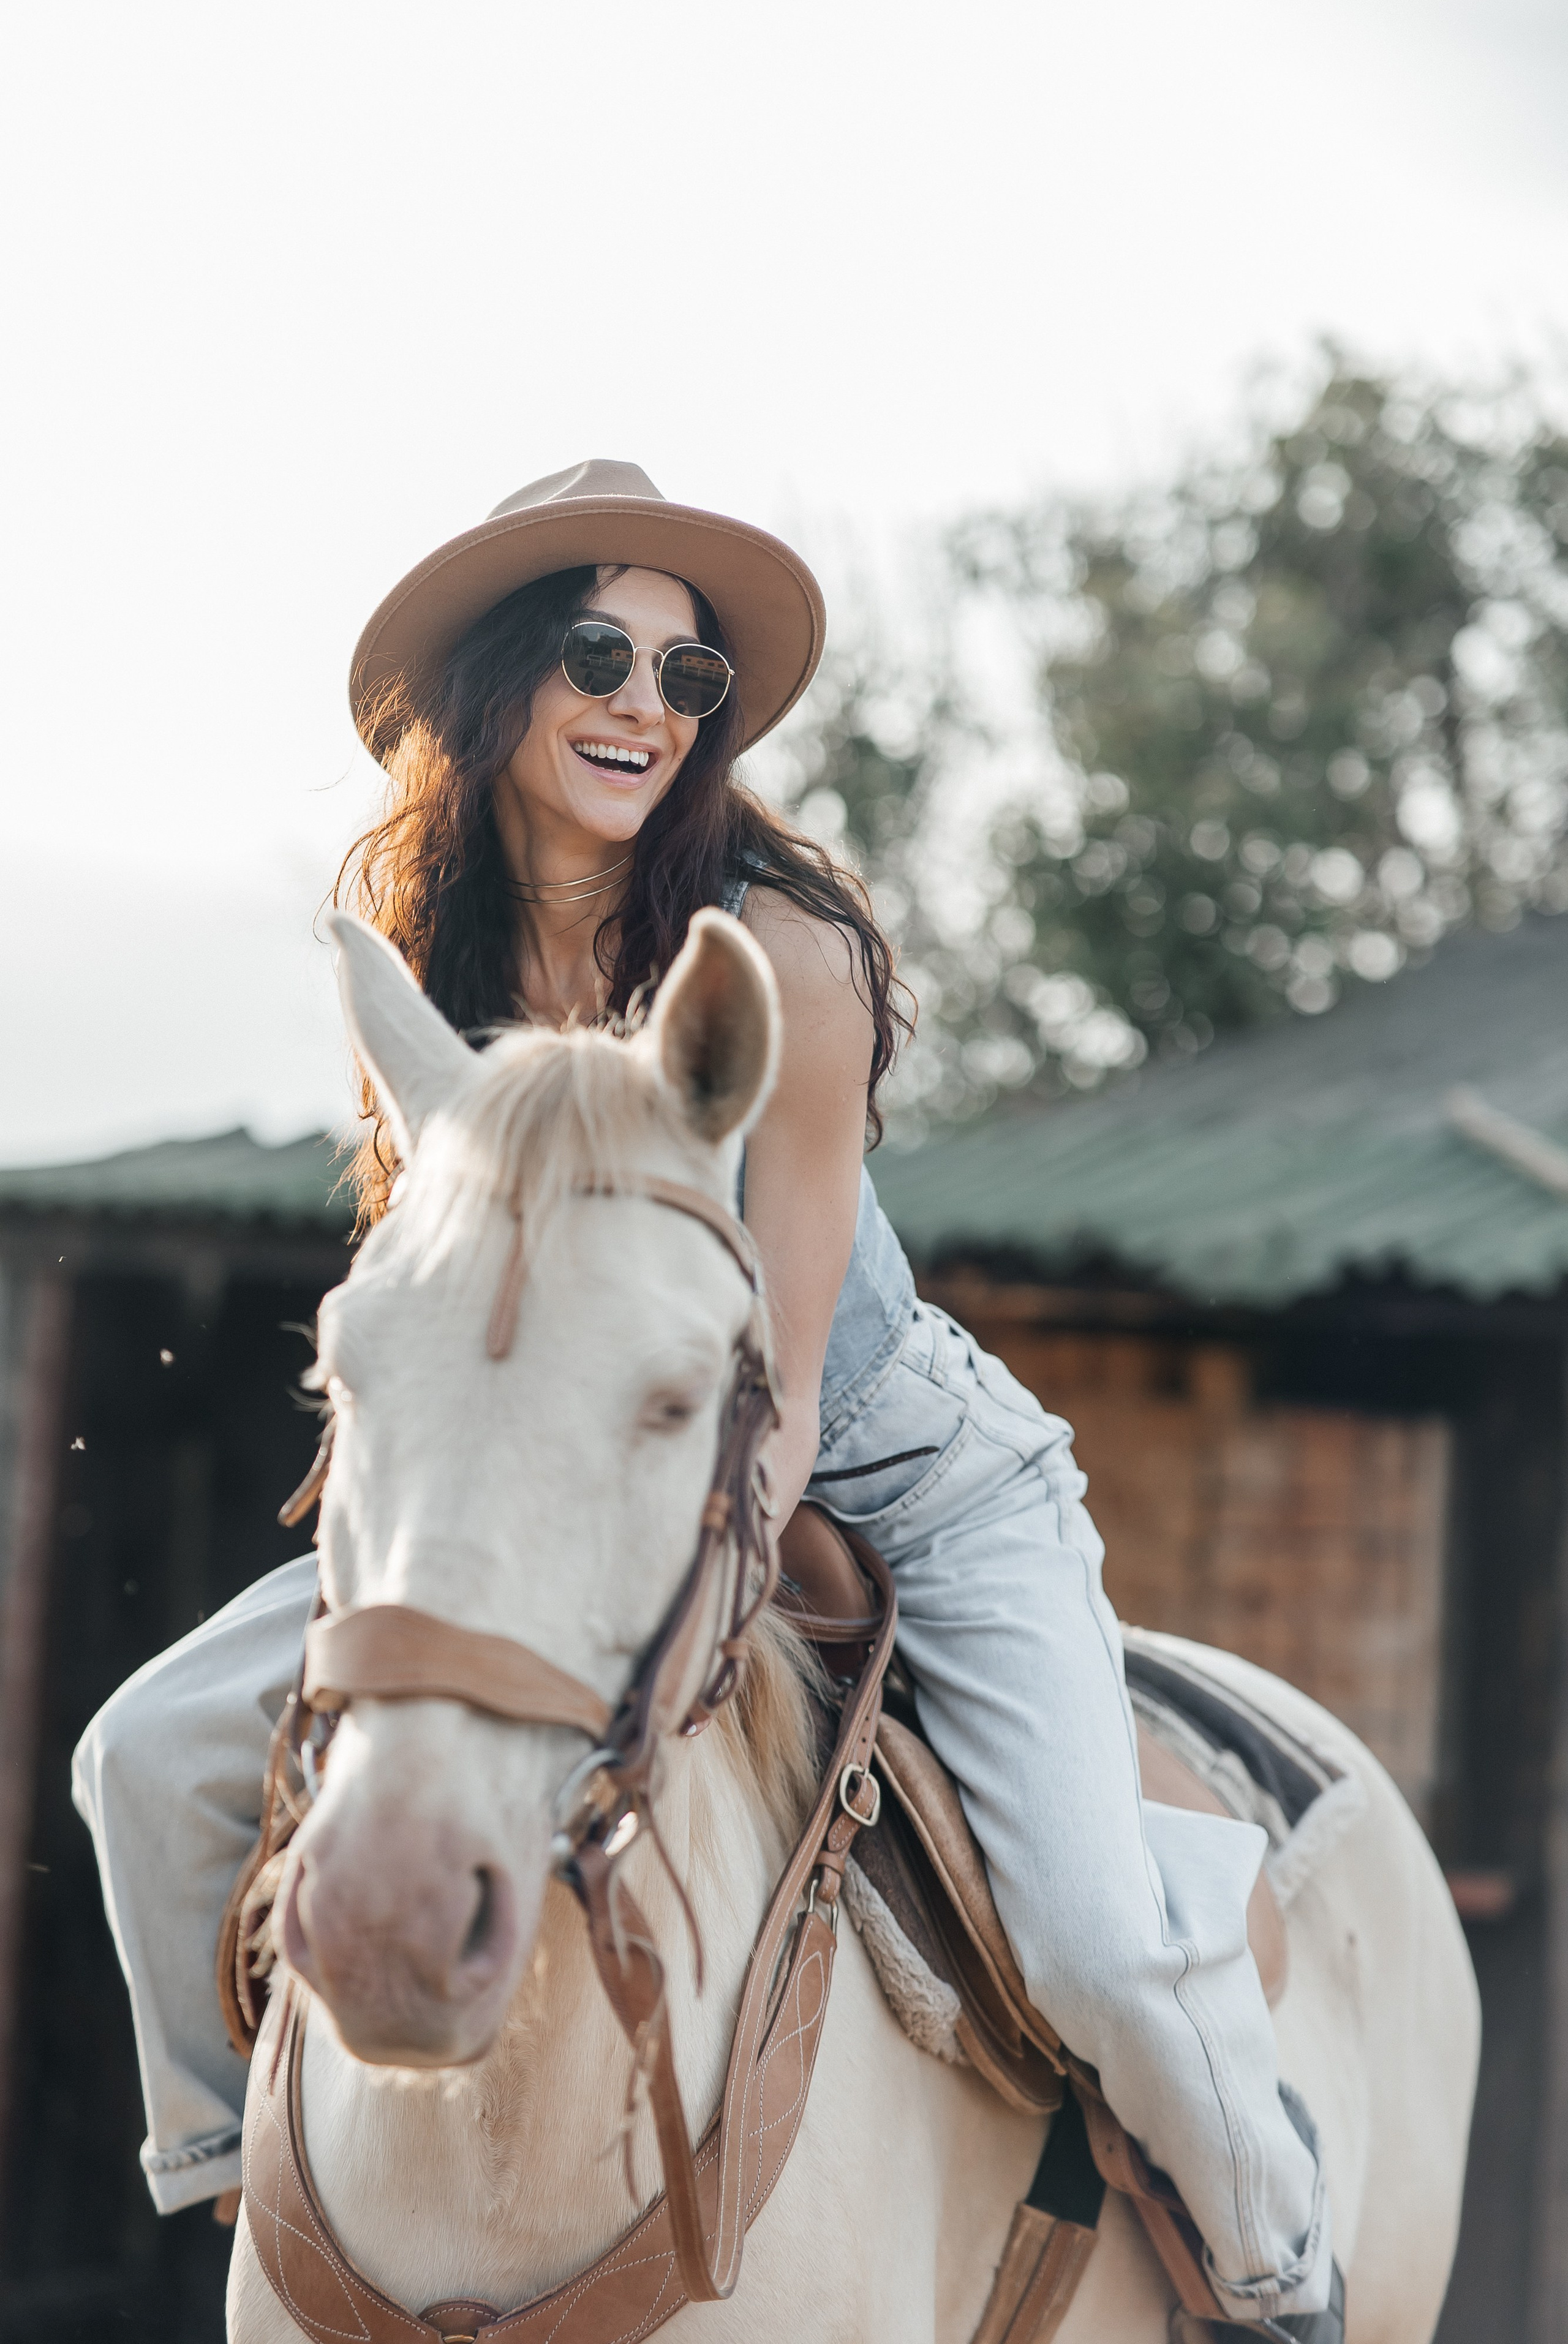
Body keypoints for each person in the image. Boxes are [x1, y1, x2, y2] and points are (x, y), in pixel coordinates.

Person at [74, 460, 1339, 2341]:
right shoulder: (437, 950)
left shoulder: (791, 964)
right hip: (582, 1461)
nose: (647, 706)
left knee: (1091, 1930)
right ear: (500, 683)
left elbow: (796, 1379)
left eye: (689, 680)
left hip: (878, 1455)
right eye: (601, 652)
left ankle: (1276, 2263)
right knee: (149, 1757)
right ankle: (245, 2187)